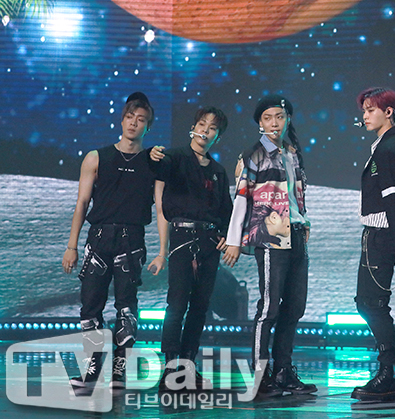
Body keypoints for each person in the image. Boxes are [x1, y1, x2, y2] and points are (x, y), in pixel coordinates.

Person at [62, 92, 166, 390]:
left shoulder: (154, 163)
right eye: (130, 117)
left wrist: (162, 251)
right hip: (98, 239)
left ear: (148, 126)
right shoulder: (96, 157)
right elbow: (82, 203)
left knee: (127, 308)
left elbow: (161, 209)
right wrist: (71, 246)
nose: (134, 123)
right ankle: (92, 372)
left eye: (141, 120)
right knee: (90, 307)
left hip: (131, 241)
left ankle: (119, 372)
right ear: (121, 120)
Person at [223, 95, 316, 397]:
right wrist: (234, 240)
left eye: (279, 116)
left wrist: (304, 221)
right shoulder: (254, 155)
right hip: (270, 237)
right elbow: (241, 197)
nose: (274, 123)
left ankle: (283, 371)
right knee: (269, 307)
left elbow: (295, 196)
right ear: (260, 124)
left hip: (296, 234)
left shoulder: (293, 154)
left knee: (294, 307)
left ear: (288, 119)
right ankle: (260, 376)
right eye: (267, 118)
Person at [149, 106, 233, 390]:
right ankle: (170, 367)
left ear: (217, 137)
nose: (205, 131)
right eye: (201, 124)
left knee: (200, 307)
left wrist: (226, 235)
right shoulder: (174, 157)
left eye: (212, 128)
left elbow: (226, 211)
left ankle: (188, 365)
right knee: (177, 304)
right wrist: (153, 155)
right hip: (183, 237)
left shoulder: (218, 171)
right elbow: (156, 167)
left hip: (209, 242)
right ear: (193, 127)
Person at [350, 87, 395, 403]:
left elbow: (394, 198)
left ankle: (388, 374)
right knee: (369, 302)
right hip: (378, 234)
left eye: (370, 110)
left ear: (388, 112)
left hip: (383, 234)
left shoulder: (390, 147)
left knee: (372, 303)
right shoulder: (385, 145)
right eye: (363, 110)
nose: (365, 116)